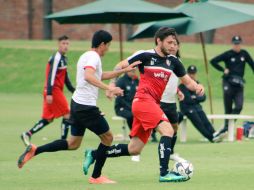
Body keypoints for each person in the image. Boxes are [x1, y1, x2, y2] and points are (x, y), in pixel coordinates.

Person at [17, 30, 140, 184]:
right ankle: (96, 177)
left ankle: (35, 150)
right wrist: (109, 88)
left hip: (77, 104)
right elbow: (89, 76)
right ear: (102, 44)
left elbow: (98, 75)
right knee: (108, 137)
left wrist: (123, 71)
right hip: (86, 106)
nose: (108, 49)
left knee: (73, 143)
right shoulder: (94, 56)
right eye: (108, 46)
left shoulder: (86, 55)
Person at [83, 27, 204, 183]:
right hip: (142, 101)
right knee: (168, 130)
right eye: (169, 42)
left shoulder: (173, 61)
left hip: (151, 104)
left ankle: (94, 154)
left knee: (134, 149)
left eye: (175, 43)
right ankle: (164, 172)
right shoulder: (145, 55)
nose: (173, 46)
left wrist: (197, 87)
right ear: (158, 41)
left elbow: (187, 81)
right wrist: (112, 85)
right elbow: (119, 66)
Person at [20, 35, 75, 146]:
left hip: (52, 91)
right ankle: (63, 141)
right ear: (58, 45)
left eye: (67, 43)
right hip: (53, 90)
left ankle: (27, 134)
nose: (65, 46)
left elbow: (66, 78)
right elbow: (51, 75)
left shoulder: (64, 59)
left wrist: (74, 90)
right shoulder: (57, 58)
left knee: (48, 118)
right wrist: (49, 93)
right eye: (63, 43)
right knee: (67, 113)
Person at [210, 35, 254, 136]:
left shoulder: (244, 54)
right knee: (228, 108)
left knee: (239, 106)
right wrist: (223, 69)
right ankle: (226, 128)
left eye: (238, 44)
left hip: (239, 84)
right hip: (228, 83)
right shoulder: (228, 54)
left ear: (240, 44)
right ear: (233, 44)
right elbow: (213, 61)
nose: (237, 46)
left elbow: (252, 65)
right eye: (235, 44)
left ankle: (226, 127)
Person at [178, 65, 223, 143]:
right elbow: (188, 100)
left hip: (197, 107)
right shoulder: (182, 86)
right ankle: (211, 138)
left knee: (205, 121)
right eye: (190, 73)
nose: (192, 75)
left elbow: (203, 97)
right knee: (199, 124)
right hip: (187, 108)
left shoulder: (197, 83)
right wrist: (196, 97)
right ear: (187, 74)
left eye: (193, 73)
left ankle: (215, 134)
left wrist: (194, 98)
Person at [160, 38, 185, 161]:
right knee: (163, 130)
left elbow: (173, 82)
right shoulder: (162, 61)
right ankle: (134, 149)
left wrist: (178, 91)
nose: (173, 47)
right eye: (171, 44)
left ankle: (170, 153)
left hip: (171, 102)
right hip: (158, 101)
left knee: (174, 128)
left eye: (176, 44)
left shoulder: (177, 62)